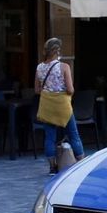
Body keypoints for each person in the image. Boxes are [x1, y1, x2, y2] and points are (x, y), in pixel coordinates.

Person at [34, 38, 84, 175]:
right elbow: (70, 89)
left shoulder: (39, 67)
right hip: (62, 106)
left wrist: (49, 90)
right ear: (58, 51)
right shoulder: (64, 67)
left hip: (47, 106)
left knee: (49, 137)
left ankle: (52, 167)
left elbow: (37, 90)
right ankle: (81, 164)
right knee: (74, 135)